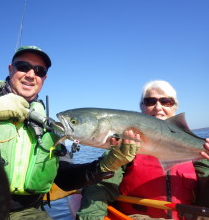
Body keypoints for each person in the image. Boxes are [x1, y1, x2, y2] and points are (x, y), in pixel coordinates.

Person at [0, 45, 140, 220]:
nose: (30, 74)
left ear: (44, 78)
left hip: (26, 212)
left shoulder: (50, 126)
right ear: (10, 69)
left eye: (39, 70)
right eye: (23, 66)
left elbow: (64, 178)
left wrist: (106, 165)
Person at [77, 80, 209, 220]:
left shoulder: (197, 151)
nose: (158, 107)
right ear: (142, 108)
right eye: (150, 101)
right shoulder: (123, 147)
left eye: (166, 101)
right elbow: (100, 188)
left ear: (174, 107)